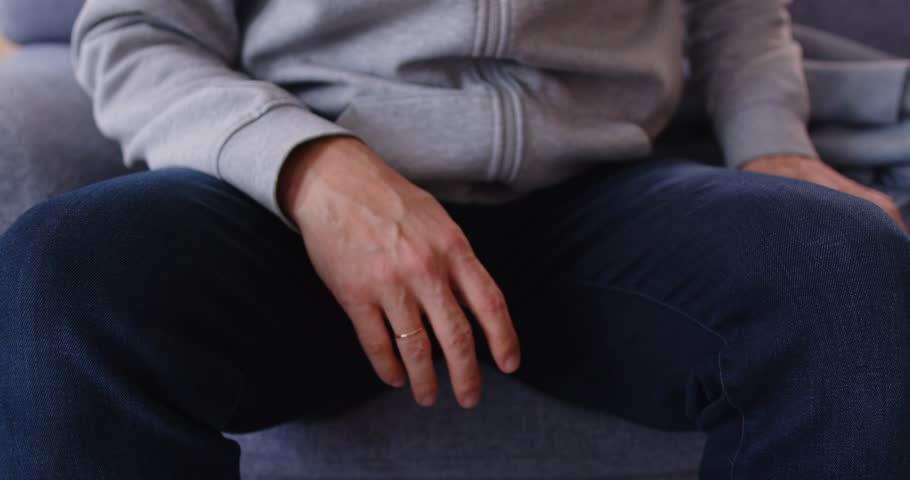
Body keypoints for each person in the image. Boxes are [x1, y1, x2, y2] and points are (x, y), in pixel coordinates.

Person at [1, 0, 908, 478]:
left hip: (598, 199)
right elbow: (138, 33)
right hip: (295, 206)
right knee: (64, 276)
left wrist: (774, 145)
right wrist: (314, 169)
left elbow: (735, 14)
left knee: (841, 269)